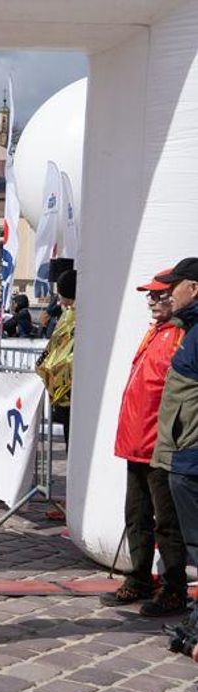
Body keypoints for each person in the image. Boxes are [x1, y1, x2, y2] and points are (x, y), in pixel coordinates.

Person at [101, 269, 188, 616]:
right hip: (136, 443)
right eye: (149, 295)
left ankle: (173, 589)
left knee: (167, 522)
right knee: (136, 515)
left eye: (158, 294)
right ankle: (139, 576)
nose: (151, 300)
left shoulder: (182, 334)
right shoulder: (157, 332)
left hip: (161, 446)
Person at [150, 258, 198, 641]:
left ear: (193, 288)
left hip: (191, 456)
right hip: (183, 454)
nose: (167, 293)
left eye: (173, 285)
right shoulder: (189, 327)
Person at [36, 270, 76, 447]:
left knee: (72, 438)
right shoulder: (71, 315)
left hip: (68, 388)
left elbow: (55, 349)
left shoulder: (70, 317)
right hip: (69, 388)